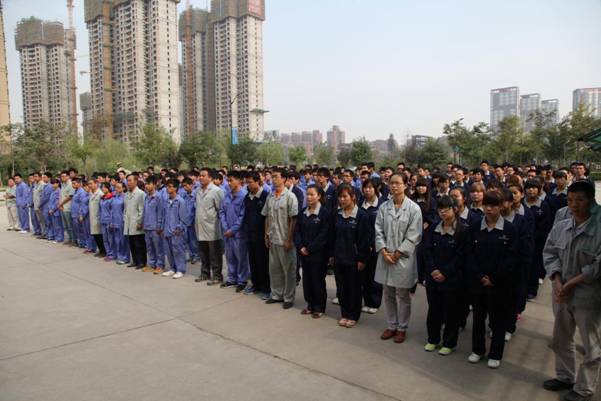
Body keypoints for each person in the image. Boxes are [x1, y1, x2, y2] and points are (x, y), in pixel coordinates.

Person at [543, 181, 600, 401]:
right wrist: (557, 281)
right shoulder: (562, 226)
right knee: (561, 338)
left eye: (580, 200)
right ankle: (565, 376)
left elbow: (597, 265)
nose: (574, 205)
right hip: (561, 293)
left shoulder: (598, 229)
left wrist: (571, 283)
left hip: (587, 295)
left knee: (591, 345)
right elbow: (549, 253)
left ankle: (584, 388)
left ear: (591, 201)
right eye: (570, 200)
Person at [467, 190, 518, 369]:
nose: (489, 209)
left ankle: (495, 354)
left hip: (500, 283)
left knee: (498, 320)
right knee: (478, 318)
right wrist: (479, 276)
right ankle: (477, 350)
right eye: (486, 205)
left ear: (501, 206)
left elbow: (511, 257)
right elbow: (469, 254)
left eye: (493, 205)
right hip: (478, 282)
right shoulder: (475, 227)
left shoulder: (509, 229)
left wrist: (494, 277)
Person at [375, 173, 423, 343]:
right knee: (387, 292)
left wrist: (396, 254)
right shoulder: (384, 207)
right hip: (385, 256)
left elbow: (414, 235)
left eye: (397, 183)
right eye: (391, 183)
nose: (394, 186)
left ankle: (402, 328)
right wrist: (383, 251)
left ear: (405, 185)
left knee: (402, 294)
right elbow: (378, 230)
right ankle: (391, 325)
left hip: (403, 258)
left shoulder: (414, 209)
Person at [423, 195, 468, 355]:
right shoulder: (433, 228)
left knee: (451, 312)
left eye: (446, 209)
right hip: (433, 277)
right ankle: (433, 339)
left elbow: (461, 256)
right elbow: (427, 250)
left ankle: (449, 342)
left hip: (452, 278)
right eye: (440, 209)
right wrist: (433, 270)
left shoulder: (463, 230)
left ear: (455, 209)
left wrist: (445, 273)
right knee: (434, 310)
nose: (442, 212)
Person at [330, 183, 370, 328]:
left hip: (354, 259)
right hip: (339, 257)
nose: (342, 199)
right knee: (342, 288)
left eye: (345, 196)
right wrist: (332, 255)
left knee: (354, 288)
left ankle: (353, 315)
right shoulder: (337, 214)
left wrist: (362, 259)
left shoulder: (362, 216)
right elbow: (332, 236)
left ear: (353, 197)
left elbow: (364, 240)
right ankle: (344, 313)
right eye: (340, 197)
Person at [262, 168, 298, 309]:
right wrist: (266, 234)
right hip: (273, 238)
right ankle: (277, 294)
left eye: (276, 176)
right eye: (272, 177)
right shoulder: (270, 196)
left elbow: (293, 219)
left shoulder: (290, 197)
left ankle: (288, 297)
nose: (273, 179)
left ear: (284, 179)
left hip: (285, 239)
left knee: (289, 270)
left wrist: (289, 239)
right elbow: (267, 216)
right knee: (274, 269)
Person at [294, 185, 330, 318]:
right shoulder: (303, 212)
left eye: (312, 194)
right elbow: (297, 231)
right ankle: (310, 304)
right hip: (304, 253)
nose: (309, 197)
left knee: (317, 280)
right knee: (307, 279)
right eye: (307, 194)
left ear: (319, 196)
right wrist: (301, 247)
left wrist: (309, 248)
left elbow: (324, 234)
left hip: (318, 254)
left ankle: (319, 307)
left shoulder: (325, 213)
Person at [219, 171, 249, 292]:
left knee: (241, 258)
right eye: (228, 180)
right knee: (230, 257)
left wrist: (233, 230)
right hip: (227, 233)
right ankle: (232, 278)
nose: (229, 183)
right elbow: (221, 212)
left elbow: (242, 216)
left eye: (231, 180)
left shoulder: (244, 196)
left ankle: (242, 280)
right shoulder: (227, 195)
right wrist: (226, 228)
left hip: (239, 234)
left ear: (239, 181)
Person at [194, 168, 225, 285]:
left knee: (214, 253)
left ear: (210, 178)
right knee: (203, 252)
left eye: (203, 176)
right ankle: (205, 273)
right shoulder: (198, 191)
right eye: (200, 176)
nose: (200, 178)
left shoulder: (216, 191)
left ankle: (217, 276)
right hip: (200, 226)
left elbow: (220, 210)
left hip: (212, 226)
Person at [242, 171, 270, 297]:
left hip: (262, 236)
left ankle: (266, 287)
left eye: (250, 182)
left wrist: (266, 234)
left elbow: (268, 217)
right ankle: (256, 284)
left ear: (258, 181)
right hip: (250, 234)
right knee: (252, 261)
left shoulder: (266, 196)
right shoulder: (247, 197)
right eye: (247, 183)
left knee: (263, 262)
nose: (248, 185)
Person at [524, 179, 552, 300]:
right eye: (528, 188)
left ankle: (532, 290)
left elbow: (545, 225)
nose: (531, 190)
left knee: (534, 266)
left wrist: (533, 238)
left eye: (534, 188)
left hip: (536, 242)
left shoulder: (544, 205)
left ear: (539, 190)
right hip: (521, 241)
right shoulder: (521, 204)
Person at [360, 178, 383, 314]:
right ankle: (367, 300)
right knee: (364, 275)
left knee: (375, 275)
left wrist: (374, 244)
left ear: (376, 189)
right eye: (365, 187)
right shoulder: (360, 204)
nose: (367, 190)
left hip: (376, 245)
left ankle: (374, 302)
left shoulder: (382, 205)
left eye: (370, 187)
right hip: (362, 245)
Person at [161, 179, 189, 279]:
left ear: (175, 188)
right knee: (169, 251)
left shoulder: (180, 201)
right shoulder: (166, 201)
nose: (167, 188)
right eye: (167, 186)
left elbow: (184, 218)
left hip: (176, 231)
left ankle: (180, 269)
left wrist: (179, 228)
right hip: (167, 230)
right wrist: (162, 228)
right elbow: (164, 216)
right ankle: (172, 268)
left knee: (178, 251)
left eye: (170, 186)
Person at [143, 175, 165, 274]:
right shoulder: (146, 197)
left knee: (158, 247)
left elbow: (161, 212)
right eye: (146, 184)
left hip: (155, 227)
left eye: (149, 184)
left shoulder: (159, 197)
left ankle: (160, 265)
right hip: (147, 226)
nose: (146, 186)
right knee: (149, 247)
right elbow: (145, 212)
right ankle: (152, 264)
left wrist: (159, 226)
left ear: (155, 185)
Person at [124, 174, 147, 269]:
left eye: (130, 180)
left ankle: (142, 262)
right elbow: (125, 209)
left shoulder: (140, 194)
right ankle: (135, 261)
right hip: (129, 222)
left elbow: (142, 209)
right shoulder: (127, 194)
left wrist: (140, 222)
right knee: (132, 243)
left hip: (136, 222)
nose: (128, 183)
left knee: (139, 244)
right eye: (127, 181)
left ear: (136, 181)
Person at [181, 178, 200, 264]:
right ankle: (191, 255)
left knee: (193, 240)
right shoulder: (184, 196)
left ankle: (196, 255)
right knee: (187, 240)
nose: (185, 188)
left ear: (191, 185)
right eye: (183, 186)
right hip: (185, 221)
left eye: (186, 185)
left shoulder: (196, 195)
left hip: (193, 221)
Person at [111, 182, 130, 265]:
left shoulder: (125, 197)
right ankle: (119, 256)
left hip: (122, 222)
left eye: (119, 187)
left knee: (123, 241)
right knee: (117, 240)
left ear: (123, 188)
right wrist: (111, 221)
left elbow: (126, 210)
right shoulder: (114, 197)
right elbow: (112, 210)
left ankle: (125, 257)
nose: (116, 189)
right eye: (116, 187)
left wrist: (125, 221)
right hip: (115, 221)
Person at [88, 179, 106, 257]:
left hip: (98, 218)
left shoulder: (100, 194)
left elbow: (102, 207)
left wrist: (100, 217)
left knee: (100, 236)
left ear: (96, 184)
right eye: (89, 184)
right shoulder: (91, 193)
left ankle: (104, 251)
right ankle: (100, 250)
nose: (89, 185)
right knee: (95, 235)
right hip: (92, 217)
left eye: (91, 183)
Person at [58, 171, 75, 245]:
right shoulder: (63, 185)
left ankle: (73, 240)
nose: (62, 178)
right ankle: (69, 239)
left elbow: (70, 196)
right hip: (62, 207)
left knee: (70, 225)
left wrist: (61, 204)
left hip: (68, 207)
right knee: (65, 226)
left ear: (68, 176)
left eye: (64, 176)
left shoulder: (71, 184)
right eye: (61, 176)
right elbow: (61, 196)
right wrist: (60, 204)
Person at [99, 183, 114, 261]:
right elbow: (100, 210)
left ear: (108, 188)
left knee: (110, 239)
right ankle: (108, 253)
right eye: (102, 187)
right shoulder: (102, 198)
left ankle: (112, 253)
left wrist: (111, 221)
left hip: (108, 220)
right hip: (102, 220)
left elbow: (112, 211)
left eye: (104, 187)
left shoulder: (111, 198)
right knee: (105, 238)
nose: (103, 189)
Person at [48, 178, 64, 243]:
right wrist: (50, 209)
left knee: (58, 225)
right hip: (51, 211)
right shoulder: (53, 191)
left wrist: (53, 209)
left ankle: (60, 238)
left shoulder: (58, 191)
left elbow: (57, 202)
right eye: (52, 183)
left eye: (54, 183)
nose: (53, 185)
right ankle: (56, 237)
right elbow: (50, 201)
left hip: (56, 211)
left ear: (57, 183)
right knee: (54, 225)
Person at [40, 173, 53, 240]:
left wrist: (40, 204)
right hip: (44, 205)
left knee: (48, 221)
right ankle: (48, 234)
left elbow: (46, 197)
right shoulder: (45, 186)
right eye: (43, 177)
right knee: (46, 221)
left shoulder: (49, 186)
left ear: (49, 178)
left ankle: (50, 235)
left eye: (44, 177)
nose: (43, 179)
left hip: (47, 205)